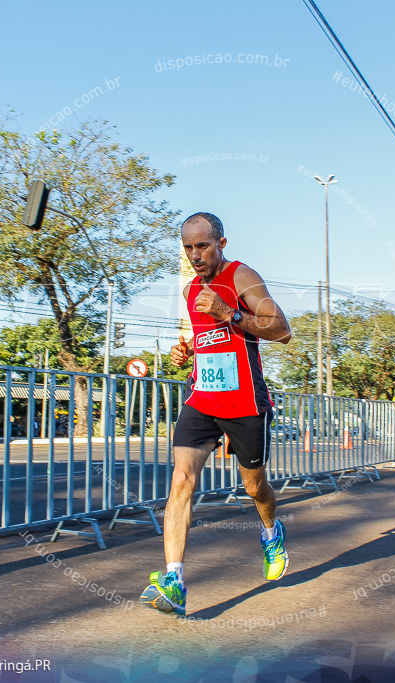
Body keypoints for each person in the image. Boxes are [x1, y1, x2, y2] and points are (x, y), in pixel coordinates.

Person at [140, 212, 292, 616]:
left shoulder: (242, 277)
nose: (195, 255)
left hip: (245, 403)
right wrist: (185, 352)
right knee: (181, 481)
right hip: (202, 400)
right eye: (188, 248)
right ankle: (174, 580)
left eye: (202, 245)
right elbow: (205, 341)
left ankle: (271, 532)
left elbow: (282, 329)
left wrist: (230, 312)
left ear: (222, 243)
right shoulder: (190, 289)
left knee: (254, 488)